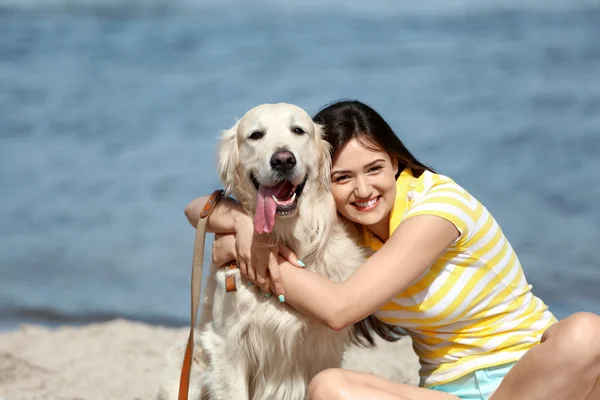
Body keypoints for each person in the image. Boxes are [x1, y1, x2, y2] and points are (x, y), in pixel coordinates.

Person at [184, 100, 600, 400]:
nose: (363, 190)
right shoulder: (347, 223)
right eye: (344, 177)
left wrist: (258, 254)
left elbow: (340, 309)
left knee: (587, 332)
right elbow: (197, 209)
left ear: (397, 161)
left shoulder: (439, 207)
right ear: (325, 179)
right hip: (448, 393)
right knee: (330, 388)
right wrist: (240, 223)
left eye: (375, 169)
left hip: (538, 375)